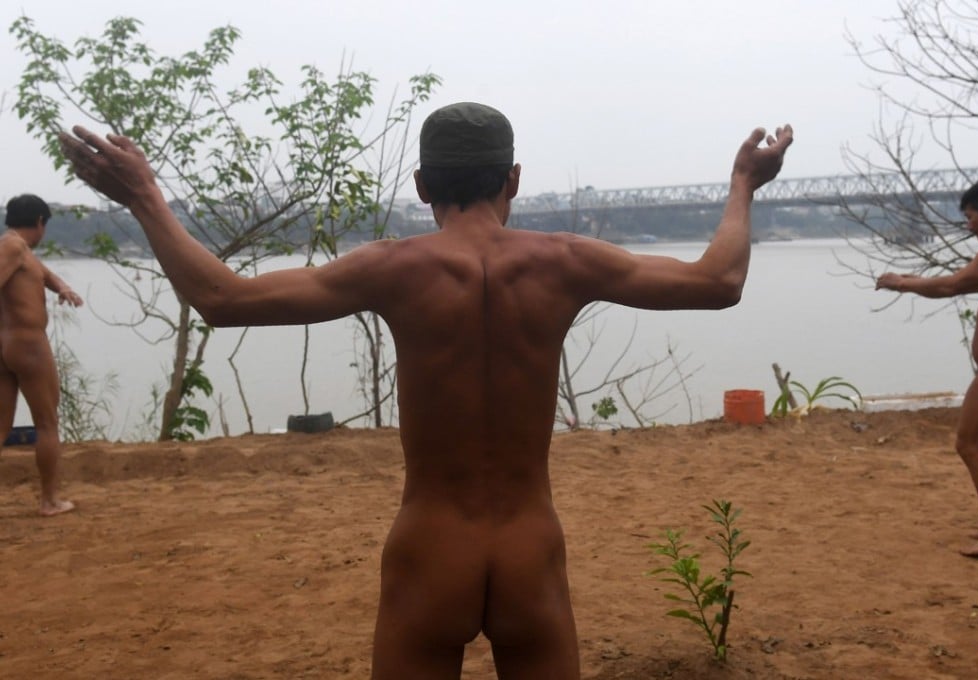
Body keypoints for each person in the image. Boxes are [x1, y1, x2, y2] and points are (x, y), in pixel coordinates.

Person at [58, 103, 793, 679]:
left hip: (431, 545)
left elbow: (222, 299)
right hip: (530, 546)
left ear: (421, 186)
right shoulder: (567, 260)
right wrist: (742, 186)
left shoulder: (392, 267)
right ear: (513, 181)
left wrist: (145, 197)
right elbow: (719, 281)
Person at [877, 178, 978, 557]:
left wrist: (902, 282)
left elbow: (951, 286)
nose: (969, 226)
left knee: (968, 443)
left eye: (971, 217)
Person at [1, 193, 82, 516]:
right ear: (39, 222)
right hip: (28, 344)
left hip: (6, 347)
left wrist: (63, 288)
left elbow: (45, 274)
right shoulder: (13, 247)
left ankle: (50, 499)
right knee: (47, 423)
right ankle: (49, 500)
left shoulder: (19, 250)